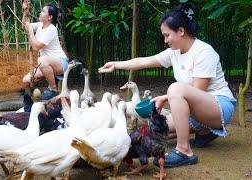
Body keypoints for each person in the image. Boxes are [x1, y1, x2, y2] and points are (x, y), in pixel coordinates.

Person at [98, 2, 236, 169]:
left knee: (175, 88)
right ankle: (204, 132)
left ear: (181, 31)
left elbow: (197, 90)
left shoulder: (204, 52)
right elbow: (143, 61)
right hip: (196, 113)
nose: (165, 40)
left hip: (218, 106)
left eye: (167, 35)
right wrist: (115, 64)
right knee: (155, 129)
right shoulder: (174, 53)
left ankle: (184, 151)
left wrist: (166, 96)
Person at [22, 2, 68, 100]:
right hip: (47, 63)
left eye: (43, 11)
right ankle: (32, 102)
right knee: (26, 80)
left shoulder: (51, 29)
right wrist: (25, 12)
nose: (40, 13)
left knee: (41, 60)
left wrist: (30, 31)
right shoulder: (40, 25)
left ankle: (53, 89)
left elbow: (36, 47)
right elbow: (24, 26)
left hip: (60, 62)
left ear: (50, 17)